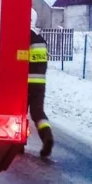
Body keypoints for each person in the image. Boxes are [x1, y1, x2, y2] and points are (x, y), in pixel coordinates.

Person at [29, 9, 55, 159]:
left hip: (25, 82)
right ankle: (47, 136)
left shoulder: (24, 38)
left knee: (19, 112)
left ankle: (17, 145)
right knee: (38, 113)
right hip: (40, 83)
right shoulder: (41, 41)